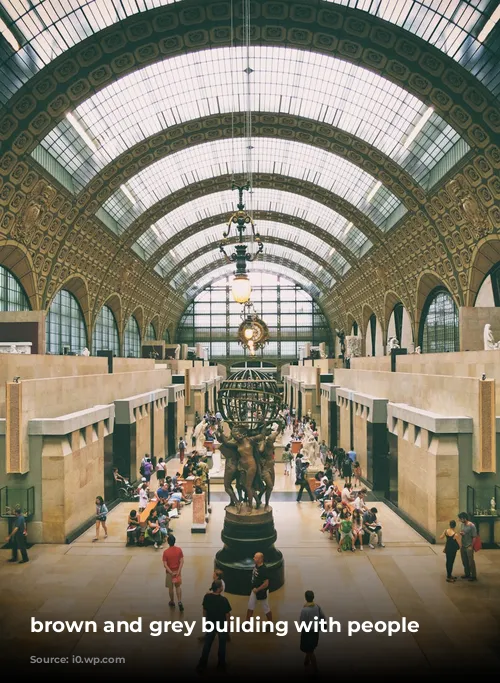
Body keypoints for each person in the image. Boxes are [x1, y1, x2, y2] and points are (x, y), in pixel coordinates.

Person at [196, 580, 232, 672]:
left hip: (210, 623)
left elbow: (204, 610)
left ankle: (202, 664)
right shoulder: (224, 600)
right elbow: (227, 614)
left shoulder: (207, 597)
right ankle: (221, 664)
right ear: (219, 589)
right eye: (221, 586)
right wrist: (228, 625)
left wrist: (205, 620)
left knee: (207, 644)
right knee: (222, 645)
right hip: (221, 625)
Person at [299, 590, 326, 673]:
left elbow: (301, 621)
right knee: (311, 647)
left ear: (305, 598)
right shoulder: (317, 606)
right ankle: (306, 661)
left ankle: (315, 669)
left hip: (307, 632)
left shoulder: (304, 610)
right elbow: (323, 617)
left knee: (310, 650)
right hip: (315, 630)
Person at [246, 552, 272, 621]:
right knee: (250, 606)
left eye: (256, 557)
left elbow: (266, 583)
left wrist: (257, 589)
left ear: (260, 559)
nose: (253, 558)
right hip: (254, 590)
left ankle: (270, 623)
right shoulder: (256, 565)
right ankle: (247, 624)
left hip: (261, 591)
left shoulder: (264, 569)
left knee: (266, 608)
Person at [163, 534, 184, 611]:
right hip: (177, 572)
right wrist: (178, 571)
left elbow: (165, 564)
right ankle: (179, 601)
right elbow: (181, 561)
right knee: (178, 587)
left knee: (171, 588)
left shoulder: (166, 552)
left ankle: (172, 601)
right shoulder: (179, 550)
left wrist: (171, 573)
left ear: (168, 542)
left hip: (169, 573)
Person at [458, 512, 477, 581]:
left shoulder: (472, 525)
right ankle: (467, 573)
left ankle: (473, 575)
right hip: (463, 545)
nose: (460, 520)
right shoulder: (462, 525)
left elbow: (474, 536)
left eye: (460, 519)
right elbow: (462, 532)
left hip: (469, 545)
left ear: (464, 518)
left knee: (470, 561)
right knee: (464, 560)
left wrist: (471, 546)